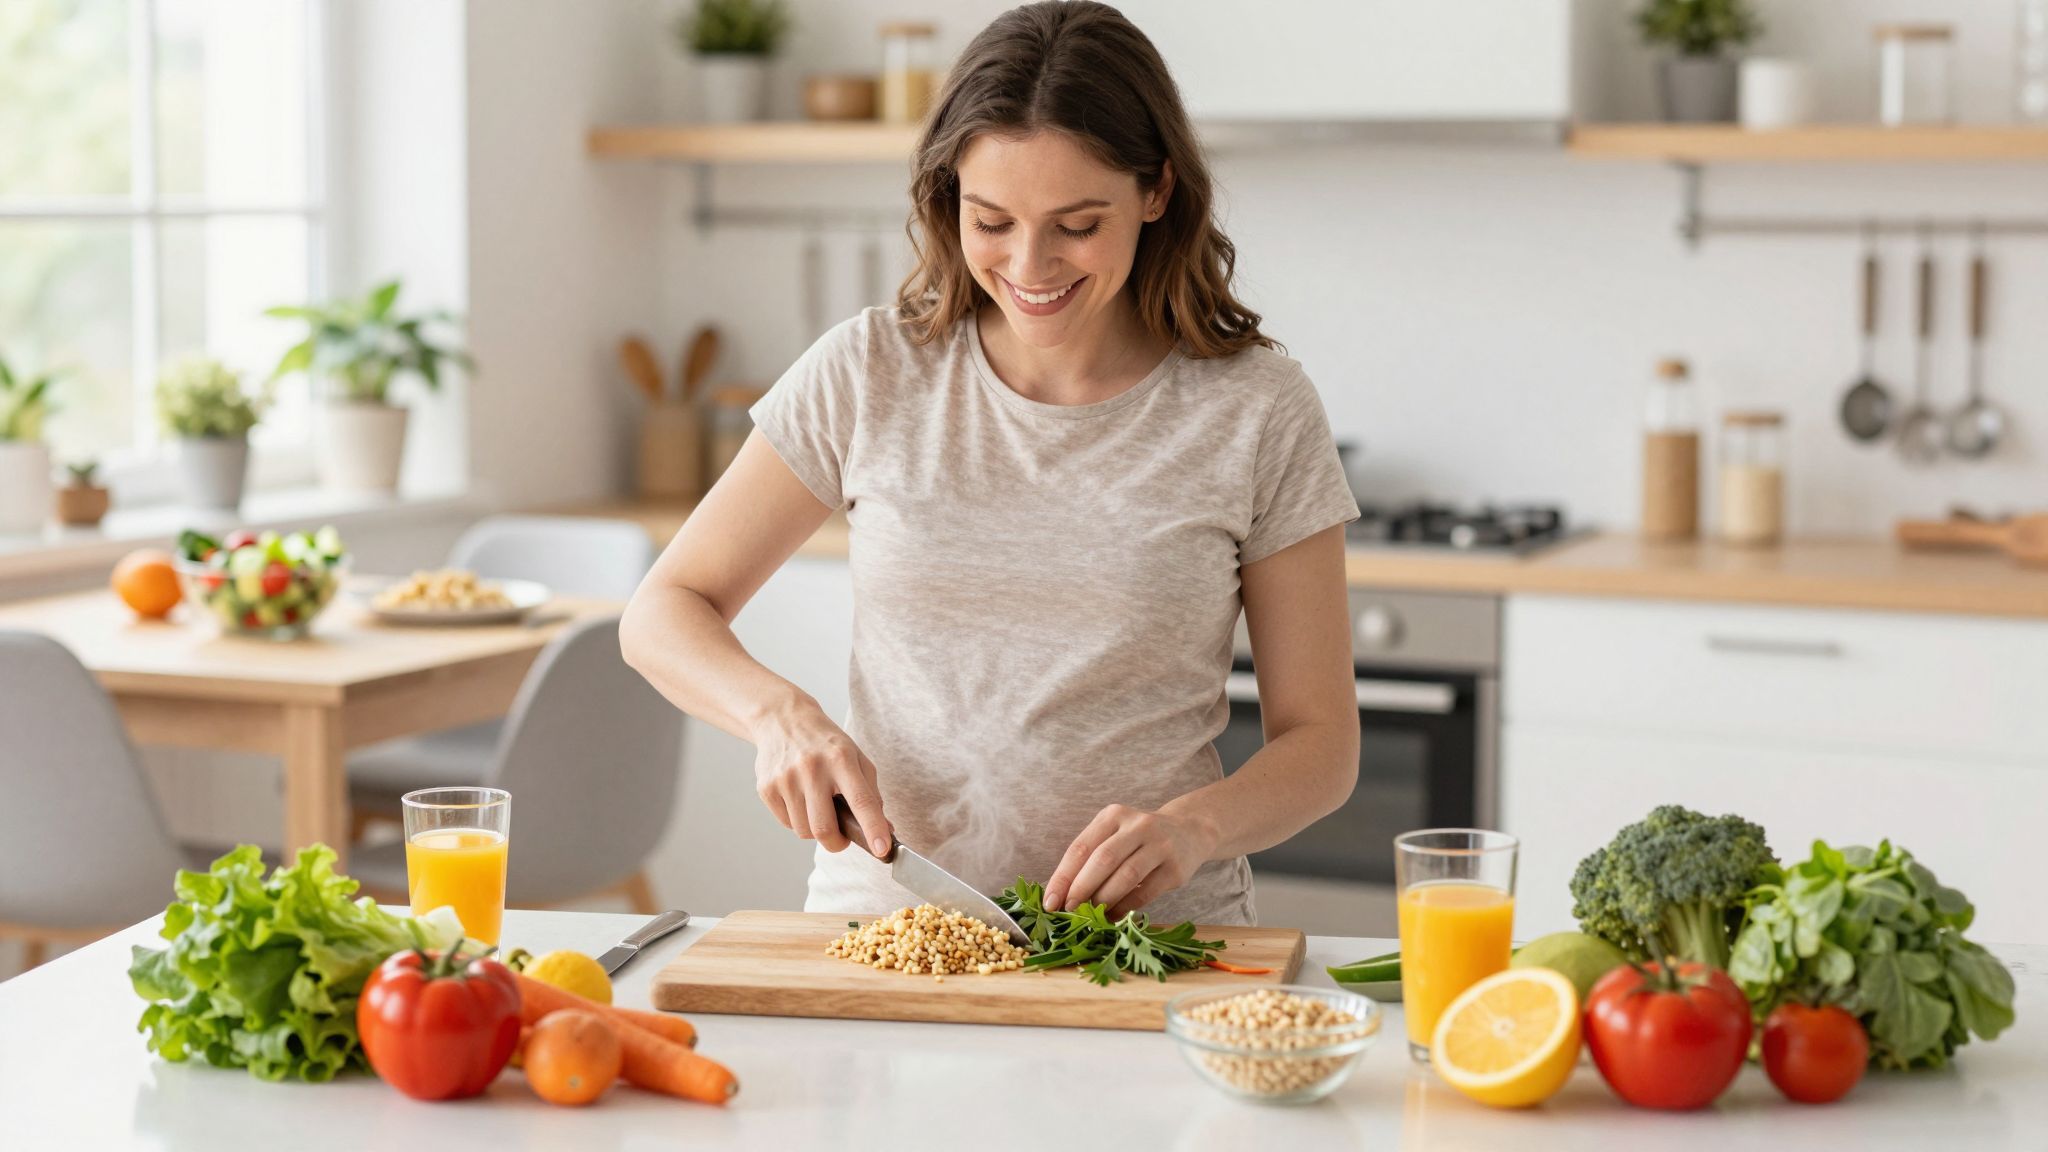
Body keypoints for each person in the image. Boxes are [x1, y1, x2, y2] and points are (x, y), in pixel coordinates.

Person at [622, 1, 1359, 926]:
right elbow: (662, 611)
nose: (1030, 264)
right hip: (888, 925)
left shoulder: (1256, 408)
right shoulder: (868, 372)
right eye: (992, 220)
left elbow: (1322, 745)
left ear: (1157, 191)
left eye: (1077, 224)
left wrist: (1196, 827)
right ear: (949, 201)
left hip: (1150, 943)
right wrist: (779, 717)